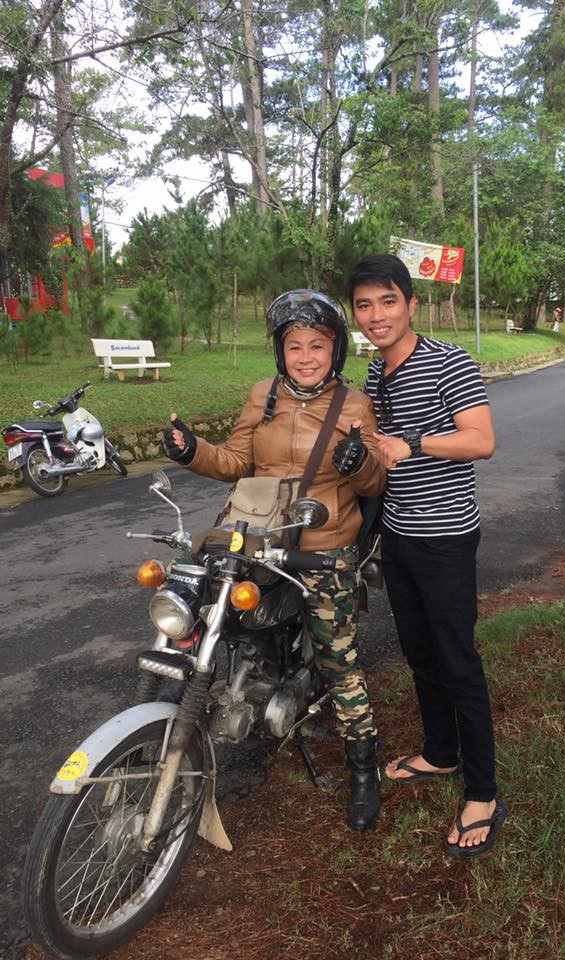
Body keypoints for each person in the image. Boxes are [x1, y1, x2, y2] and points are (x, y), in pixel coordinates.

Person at [162, 290, 386, 832]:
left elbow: (376, 480)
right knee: (212, 613)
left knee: (339, 660)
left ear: (335, 351)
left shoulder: (353, 405)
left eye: (317, 345)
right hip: (259, 537)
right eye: (294, 346)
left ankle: (363, 772)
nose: (306, 356)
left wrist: (358, 463)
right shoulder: (262, 394)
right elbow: (238, 461)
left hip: (323, 544)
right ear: (279, 351)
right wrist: (192, 449)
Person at [348, 253, 507, 859]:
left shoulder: (448, 362)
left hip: (444, 537)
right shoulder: (374, 372)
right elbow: (373, 449)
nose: (377, 315)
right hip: (399, 534)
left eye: (388, 301)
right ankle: (441, 752)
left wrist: (413, 444)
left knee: (457, 657)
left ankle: (484, 794)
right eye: (365, 304)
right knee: (419, 652)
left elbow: (481, 440)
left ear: (411, 304)